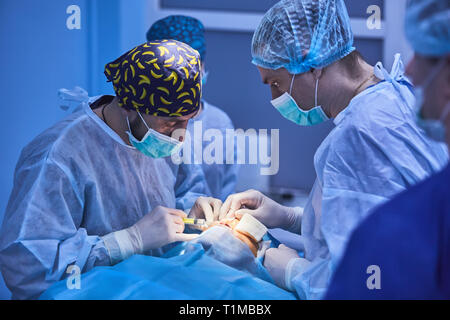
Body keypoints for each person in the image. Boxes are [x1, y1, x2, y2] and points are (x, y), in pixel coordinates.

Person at [193, 0, 449, 299]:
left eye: (275, 82)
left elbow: (368, 283)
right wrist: (291, 218)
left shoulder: (357, 139)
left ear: (312, 66)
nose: (274, 97)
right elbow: (382, 218)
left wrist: (294, 270)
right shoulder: (394, 96)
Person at [0, 40, 204, 299]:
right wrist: (126, 242)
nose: (180, 135)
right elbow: (28, 268)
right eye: (170, 123)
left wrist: (191, 218)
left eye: (187, 122)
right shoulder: (57, 156)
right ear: (129, 106)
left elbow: (183, 191)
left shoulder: (162, 139)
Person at [325, 0, 450, 300]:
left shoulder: (396, 236)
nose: (409, 71)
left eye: (421, 54)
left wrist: (288, 267)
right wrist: (293, 218)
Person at [147, 15, 239, 205]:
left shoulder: (219, 123)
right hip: (155, 230)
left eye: (191, 69)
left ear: (202, 67)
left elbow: (225, 189)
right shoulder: (144, 123)